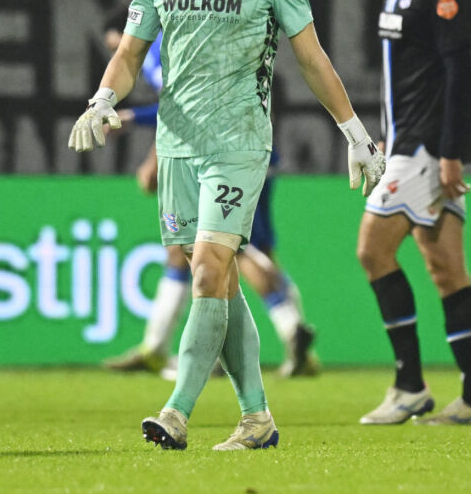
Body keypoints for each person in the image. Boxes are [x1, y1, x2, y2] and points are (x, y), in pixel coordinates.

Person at [68, 0, 384, 451]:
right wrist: (102, 100)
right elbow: (131, 53)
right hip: (178, 144)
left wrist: (355, 131)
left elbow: (311, 58)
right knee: (218, 277)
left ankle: (177, 411)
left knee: (210, 268)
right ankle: (257, 418)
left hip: (240, 143)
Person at [100, 31, 321, 379]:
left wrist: (141, 139)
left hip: (222, 158)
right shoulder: (216, 34)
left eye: (115, 44)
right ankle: (294, 341)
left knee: (225, 249)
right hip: (256, 150)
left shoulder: (163, 45)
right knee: (254, 249)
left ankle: (285, 331)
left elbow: (180, 107)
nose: (118, 54)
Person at [356, 0, 471, 426]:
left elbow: (460, 74)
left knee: (372, 251)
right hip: (405, 145)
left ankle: (409, 385)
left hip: (422, 148)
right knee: (446, 269)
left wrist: (451, 154)